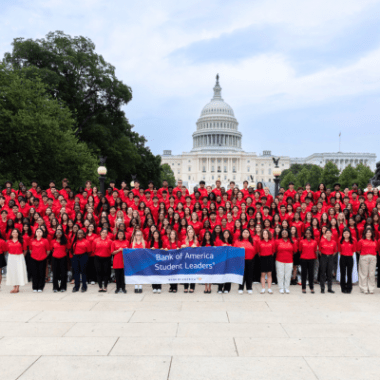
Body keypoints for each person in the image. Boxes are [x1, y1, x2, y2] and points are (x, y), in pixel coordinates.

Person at [234, 229, 256, 294]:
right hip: (241, 260)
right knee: (241, 275)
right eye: (244, 232)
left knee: (249, 274)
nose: (246, 233)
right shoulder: (237, 241)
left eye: (247, 232)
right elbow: (235, 251)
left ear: (249, 234)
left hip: (250, 260)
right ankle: (240, 288)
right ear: (242, 233)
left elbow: (256, 250)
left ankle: (249, 288)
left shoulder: (253, 241)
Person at [5, 228, 28, 293]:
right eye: (13, 232)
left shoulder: (22, 241)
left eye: (16, 232)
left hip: (19, 257)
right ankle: (14, 287)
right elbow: (7, 250)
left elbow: (25, 250)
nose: (15, 233)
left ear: (18, 233)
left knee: (19, 271)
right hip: (11, 257)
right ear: (11, 233)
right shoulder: (8, 241)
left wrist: (22, 257)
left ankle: (17, 287)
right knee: (12, 272)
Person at [275, 229, 296, 294]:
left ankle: (286, 287)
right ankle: (281, 288)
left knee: (288, 275)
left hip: (289, 261)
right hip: (279, 260)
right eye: (283, 233)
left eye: (285, 232)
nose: (284, 234)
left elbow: (295, 251)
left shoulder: (292, 241)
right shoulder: (277, 241)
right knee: (280, 274)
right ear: (281, 234)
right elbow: (275, 250)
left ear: (288, 234)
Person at [357, 228, 378, 294]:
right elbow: (358, 250)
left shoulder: (375, 241)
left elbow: (376, 249)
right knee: (364, 273)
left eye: (369, 232)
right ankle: (364, 288)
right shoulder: (361, 241)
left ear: (372, 233)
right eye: (367, 232)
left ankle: (371, 288)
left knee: (371, 274)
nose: (368, 233)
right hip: (364, 257)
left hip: (373, 257)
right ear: (365, 233)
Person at [29, 227, 51, 292]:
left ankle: (40, 287)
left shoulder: (45, 240)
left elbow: (48, 250)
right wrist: (34, 255)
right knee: (34, 273)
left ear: (42, 233)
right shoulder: (32, 240)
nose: (39, 233)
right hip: (33, 259)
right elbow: (30, 250)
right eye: (37, 231)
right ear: (35, 233)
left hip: (42, 258)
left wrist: (44, 255)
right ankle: (35, 287)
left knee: (41, 273)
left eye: (40, 231)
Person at [338, 228, 357, 294]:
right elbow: (339, 250)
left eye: (347, 233)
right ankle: (343, 288)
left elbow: (354, 250)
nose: (346, 234)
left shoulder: (353, 241)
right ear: (343, 234)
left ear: (349, 234)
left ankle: (349, 288)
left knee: (349, 273)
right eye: (344, 233)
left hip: (350, 258)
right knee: (342, 273)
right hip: (342, 257)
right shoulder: (340, 240)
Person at [319, 229, 338, 294]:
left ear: (331, 234)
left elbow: (335, 251)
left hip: (330, 258)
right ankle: (322, 288)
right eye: (327, 233)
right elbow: (319, 251)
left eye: (329, 233)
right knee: (322, 273)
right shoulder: (322, 241)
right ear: (325, 234)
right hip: (323, 257)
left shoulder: (334, 242)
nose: (328, 234)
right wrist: (324, 255)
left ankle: (329, 288)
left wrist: (330, 255)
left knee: (329, 273)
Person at [299, 228, 317, 293]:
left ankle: (311, 287)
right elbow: (300, 250)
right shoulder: (302, 241)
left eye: (309, 233)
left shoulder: (314, 242)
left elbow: (315, 250)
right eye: (307, 233)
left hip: (311, 259)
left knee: (311, 274)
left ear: (311, 234)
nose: (308, 234)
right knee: (303, 274)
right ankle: (303, 288)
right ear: (305, 234)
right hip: (303, 259)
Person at [181, 226, 198, 293]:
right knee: (186, 274)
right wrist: (182, 246)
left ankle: (192, 287)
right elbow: (180, 251)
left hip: (193, 260)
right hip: (186, 260)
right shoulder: (184, 241)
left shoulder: (196, 241)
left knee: (193, 274)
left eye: (192, 232)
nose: (190, 233)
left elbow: (199, 251)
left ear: (193, 234)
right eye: (189, 232)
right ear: (187, 233)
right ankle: (185, 287)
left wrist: (195, 247)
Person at [258, 229, 275, 294]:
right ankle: (263, 288)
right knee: (262, 274)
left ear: (269, 234)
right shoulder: (260, 242)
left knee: (269, 274)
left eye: (266, 233)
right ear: (262, 235)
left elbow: (273, 251)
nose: (265, 235)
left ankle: (269, 288)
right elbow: (258, 251)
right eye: (264, 233)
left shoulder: (272, 242)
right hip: (262, 258)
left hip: (270, 258)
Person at [217, 229, 233, 294]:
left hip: (229, 260)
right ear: (223, 234)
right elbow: (216, 250)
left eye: (227, 233)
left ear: (229, 235)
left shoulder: (232, 242)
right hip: (221, 260)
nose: (226, 234)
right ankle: (220, 288)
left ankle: (227, 288)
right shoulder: (219, 241)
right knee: (221, 275)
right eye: (225, 233)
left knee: (228, 274)